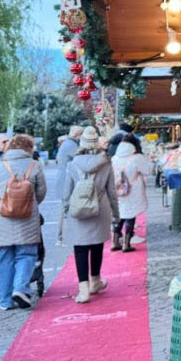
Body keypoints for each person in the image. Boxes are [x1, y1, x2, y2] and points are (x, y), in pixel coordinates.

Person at [0, 134, 46, 310]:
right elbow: (41, 193)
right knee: (26, 255)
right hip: (27, 221)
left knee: (2, 259)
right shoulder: (35, 166)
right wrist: (29, 205)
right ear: (29, 148)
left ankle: (4, 301)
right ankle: (20, 288)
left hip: (2, 221)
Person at [61, 125, 118, 304]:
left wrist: (65, 211)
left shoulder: (72, 164)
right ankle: (96, 281)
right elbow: (112, 192)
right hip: (100, 208)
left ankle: (83, 289)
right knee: (96, 246)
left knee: (80, 248)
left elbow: (66, 192)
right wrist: (116, 214)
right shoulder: (106, 163)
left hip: (77, 209)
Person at [111, 140, 152, 252]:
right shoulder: (136, 158)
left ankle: (115, 242)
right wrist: (151, 161)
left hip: (118, 190)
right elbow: (147, 171)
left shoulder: (114, 158)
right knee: (130, 215)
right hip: (133, 190)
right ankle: (126, 244)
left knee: (120, 214)